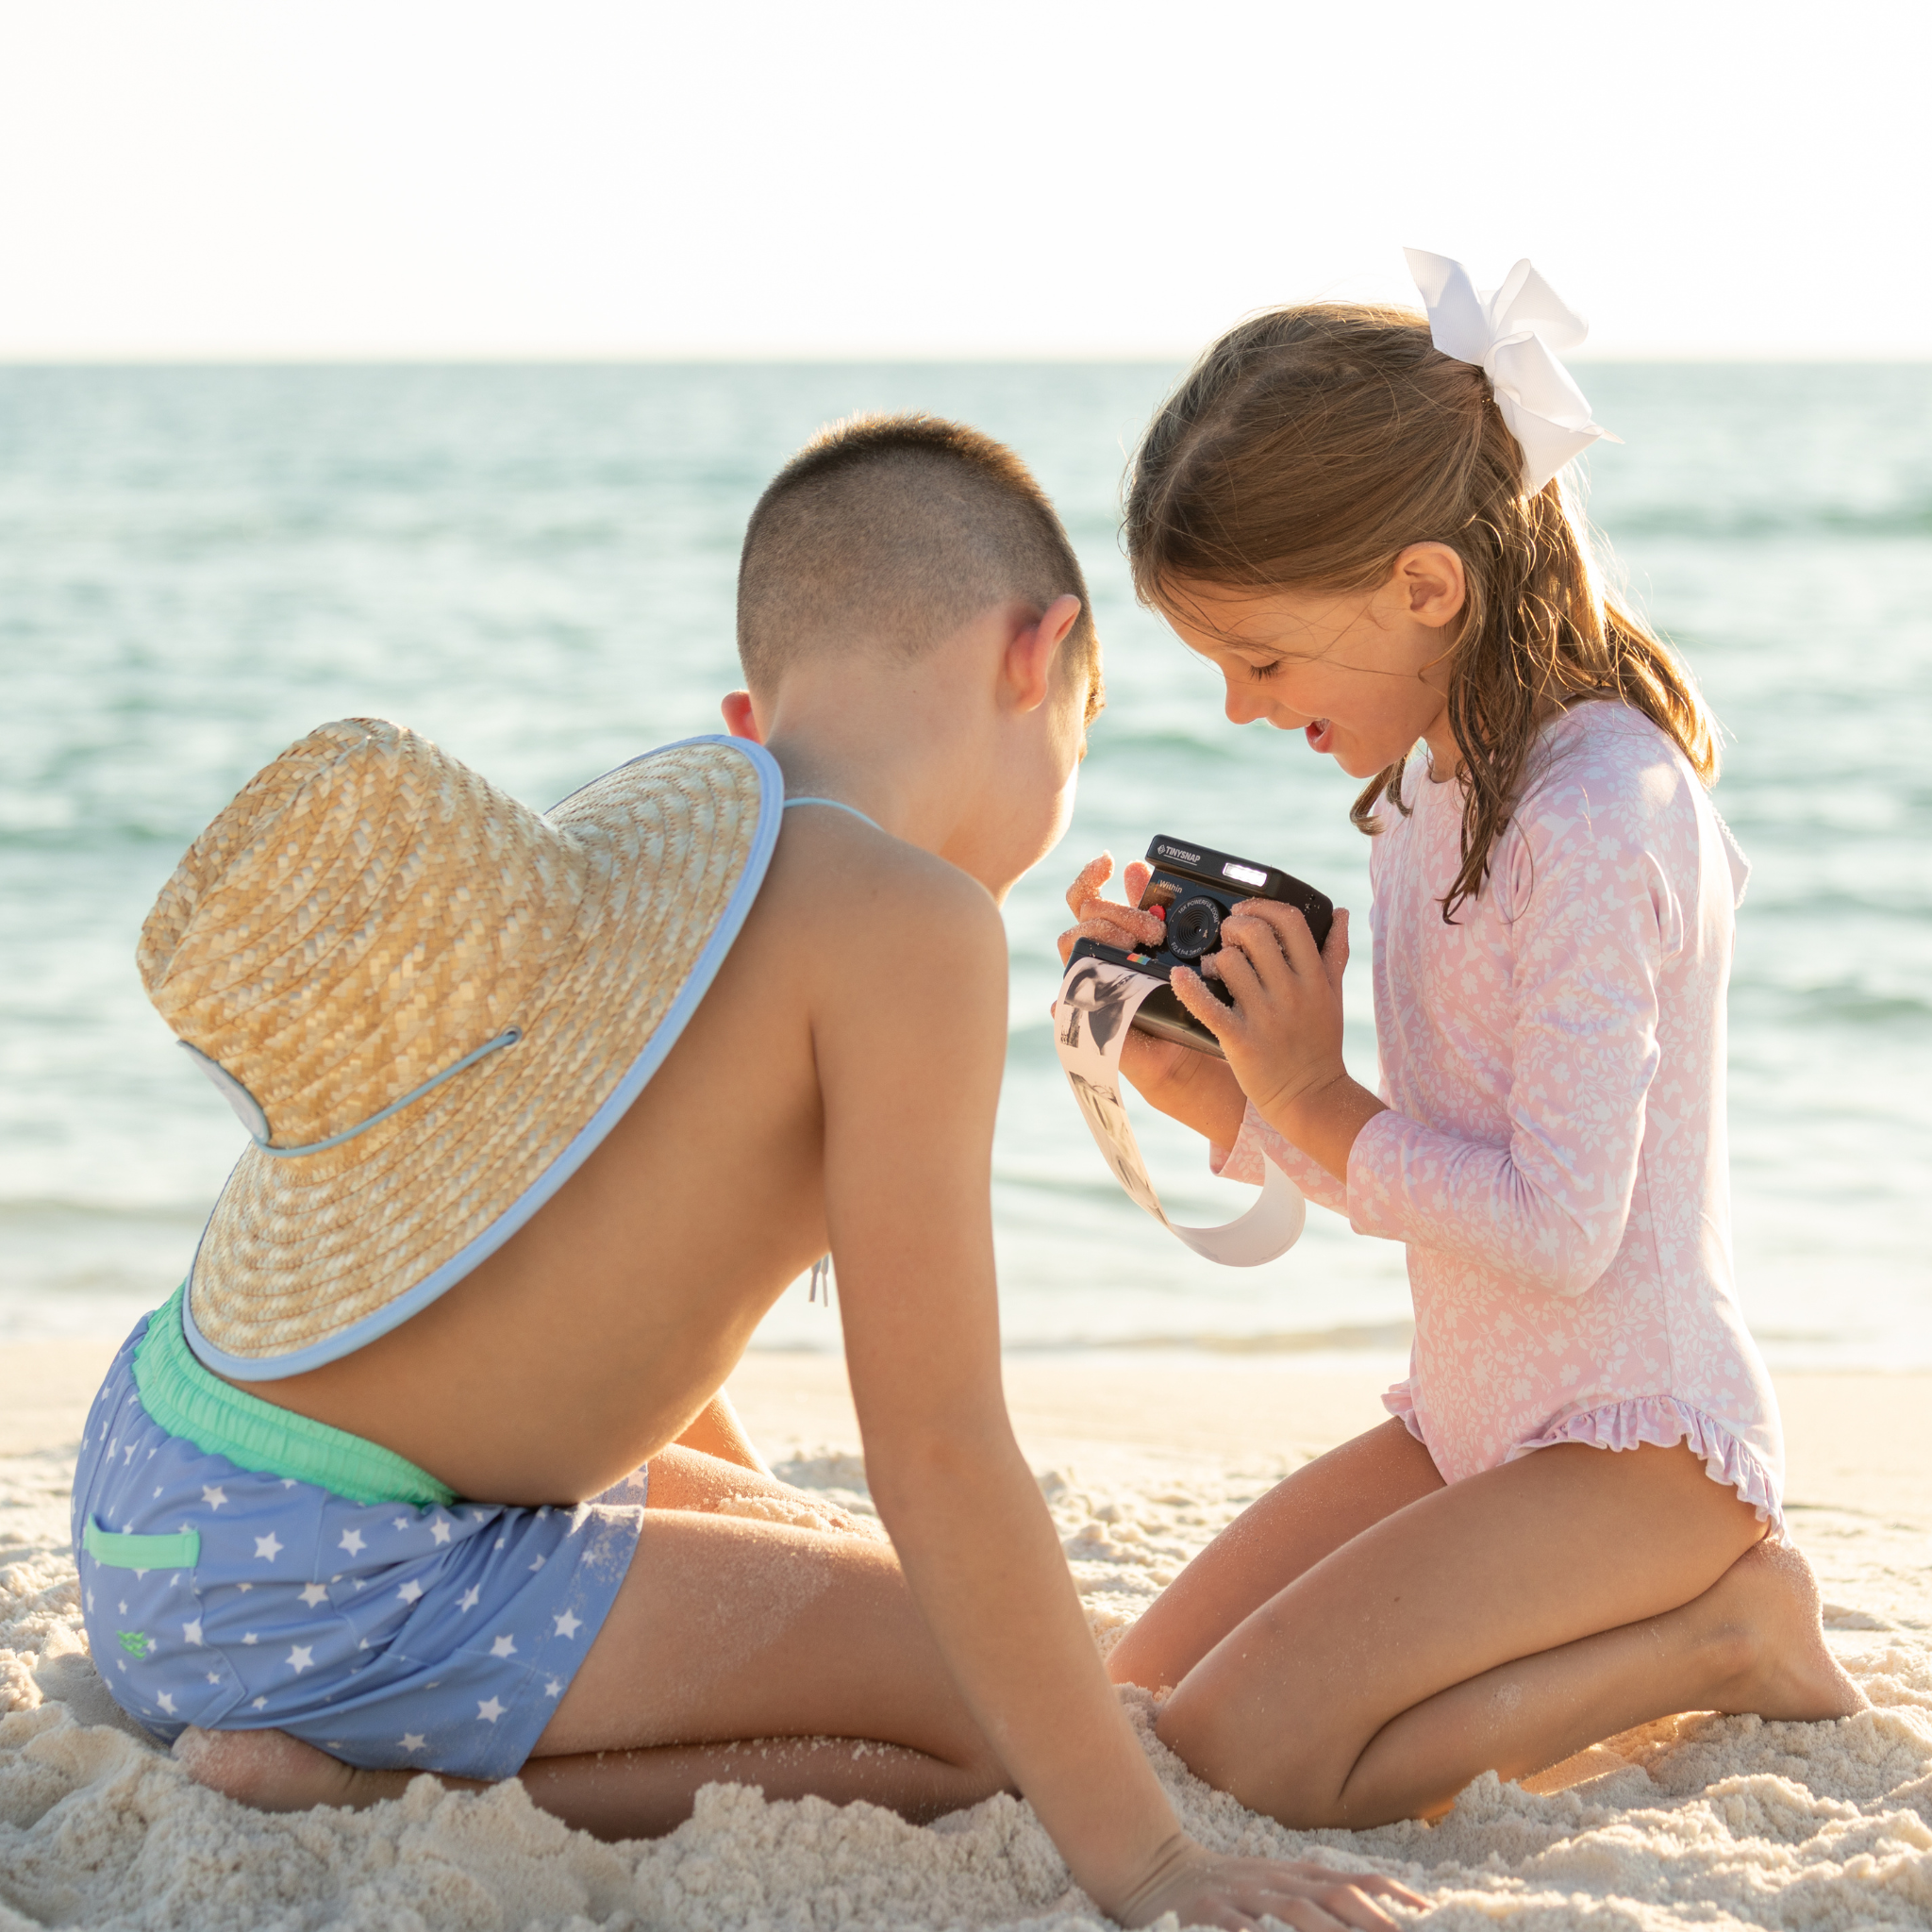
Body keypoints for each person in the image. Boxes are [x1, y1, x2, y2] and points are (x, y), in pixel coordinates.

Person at [75, 412, 1419, 1932]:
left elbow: (602, 1264)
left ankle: (404, 1723)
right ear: (1036, 660)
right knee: (1005, 1718)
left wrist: (773, 1542)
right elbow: (938, 1446)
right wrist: (1157, 1862)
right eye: (1084, 730)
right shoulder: (914, 926)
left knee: (860, 1577)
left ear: (750, 711)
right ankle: (361, 1791)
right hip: (318, 1590)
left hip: (165, 1485)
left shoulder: (674, 863)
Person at [1058, 258, 1865, 1832]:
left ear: (1427, 588)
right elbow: (1418, 1174)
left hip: (1638, 1446)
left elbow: (1560, 1230)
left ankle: (1730, 1628)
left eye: (1263, 661)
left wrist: (1307, 1091)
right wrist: (1211, 1091)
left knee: (1258, 1762)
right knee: (1136, 1707)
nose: (1234, 707)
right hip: (1472, 1424)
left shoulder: (1596, 818)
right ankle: (1694, 1620)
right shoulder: (1427, 798)